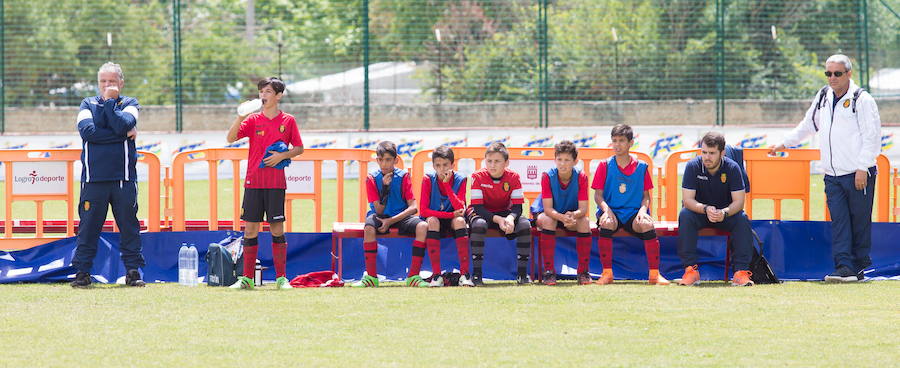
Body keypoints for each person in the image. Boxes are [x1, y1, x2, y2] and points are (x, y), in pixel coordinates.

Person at [769, 54, 882, 283]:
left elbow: (872, 136)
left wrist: (862, 167)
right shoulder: (822, 96)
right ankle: (844, 267)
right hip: (832, 174)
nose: (832, 78)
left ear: (849, 74)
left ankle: (858, 267)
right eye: (828, 73)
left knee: (858, 221)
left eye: (837, 73)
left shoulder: (862, 99)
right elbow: (808, 125)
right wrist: (784, 143)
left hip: (858, 172)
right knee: (839, 221)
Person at [71, 62, 144, 288]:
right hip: (94, 180)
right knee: (88, 228)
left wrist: (111, 105)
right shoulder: (87, 104)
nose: (107, 85)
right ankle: (82, 273)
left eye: (111, 81)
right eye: (103, 81)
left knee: (129, 227)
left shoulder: (130, 103)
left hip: (123, 179)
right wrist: (121, 134)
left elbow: (125, 123)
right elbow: (88, 133)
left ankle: (133, 272)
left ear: (121, 83)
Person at [226, 77, 304, 290]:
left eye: (268, 91)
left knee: (277, 228)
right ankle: (247, 279)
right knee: (250, 229)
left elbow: (299, 148)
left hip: (276, 183)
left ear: (278, 96)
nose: (263, 95)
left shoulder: (288, 120)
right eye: (261, 91)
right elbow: (230, 138)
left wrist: (281, 156)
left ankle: (281, 279)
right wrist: (240, 116)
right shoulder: (252, 120)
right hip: (253, 181)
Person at [592, 124, 670, 286]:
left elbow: (646, 196)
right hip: (611, 211)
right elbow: (598, 196)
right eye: (614, 141)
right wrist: (607, 210)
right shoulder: (604, 166)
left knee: (647, 224)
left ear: (630, 143)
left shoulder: (641, 167)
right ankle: (607, 274)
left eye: (621, 140)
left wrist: (643, 210)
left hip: (634, 212)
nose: (617, 145)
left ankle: (655, 275)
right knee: (606, 222)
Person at [678, 132, 755, 287]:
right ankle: (690, 271)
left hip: (726, 214)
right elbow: (687, 200)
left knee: (742, 218)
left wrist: (724, 213)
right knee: (685, 215)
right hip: (700, 213)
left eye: (712, 153)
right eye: (704, 152)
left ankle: (740, 273)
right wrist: (706, 209)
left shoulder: (732, 168)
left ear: (722, 152)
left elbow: (739, 202)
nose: (707, 157)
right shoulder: (693, 166)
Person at [353, 141, 430, 288]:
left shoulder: (404, 176)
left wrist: (391, 221)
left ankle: (413, 276)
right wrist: (385, 188)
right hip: (380, 216)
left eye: (388, 160)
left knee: (423, 226)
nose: (384, 164)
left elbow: (413, 208)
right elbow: (379, 211)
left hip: (401, 217)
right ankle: (371, 277)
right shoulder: (371, 179)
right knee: (368, 228)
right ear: (377, 160)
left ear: (395, 160)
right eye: (381, 160)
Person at [467, 142, 532, 286]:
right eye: (489, 161)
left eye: (497, 161)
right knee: (479, 224)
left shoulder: (514, 177)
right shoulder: (477, 176)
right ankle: (476, 275)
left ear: (506, 163)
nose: (492, 165)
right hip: (482, 212)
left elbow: (517, 208)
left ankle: (522, 275)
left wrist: (509, 218)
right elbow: (478, 207)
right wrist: (499, 220)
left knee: (525, 224)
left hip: (504, 213)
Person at [531, 141, 591, 285]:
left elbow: (583, 209)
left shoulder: (581, 177)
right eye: (559, 159)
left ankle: (583, 272)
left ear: (575, 161)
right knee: (549, 221)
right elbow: (547, 209)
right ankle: (549, 272)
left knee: (585, 222)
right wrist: (563, 217)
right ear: (554, 160)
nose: (562, 164)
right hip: (548, 214)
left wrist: (573, 216)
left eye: (567, 160)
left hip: (570, 215)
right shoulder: (548, 176)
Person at [419, 146, 474, 287]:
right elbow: (424, 211)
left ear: (452, 165)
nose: (442, 169)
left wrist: (447, 186)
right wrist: (448, 214)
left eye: (445, 165)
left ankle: (465, 274)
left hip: (453, 219)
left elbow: (460, 209)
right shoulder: (427, 179)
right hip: (435, 218)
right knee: (432, 221)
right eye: (438, 165)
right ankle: (437, 275)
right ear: (433, 166)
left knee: (460, 221)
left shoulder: (461, 179)